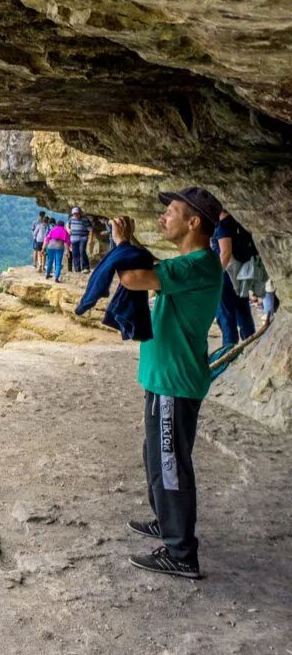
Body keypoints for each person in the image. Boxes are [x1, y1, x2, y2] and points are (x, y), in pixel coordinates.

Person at [115, 187, 224, 579]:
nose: (164, 218)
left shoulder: (195, 265)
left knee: (170, 463)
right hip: (166, 379)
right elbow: (156, 270)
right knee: (157, 457)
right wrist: (133, 244)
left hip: (174, 382)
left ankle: (180, 553)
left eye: (172, 212)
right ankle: (167, 521)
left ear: (193, 222)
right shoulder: (192, 265)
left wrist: (123, 245)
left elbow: (133, 278)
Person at [211, 209, 256, 346]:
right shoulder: (238, 223)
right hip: (239, 275)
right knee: (243, 311)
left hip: (225, 276)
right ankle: (251, 343)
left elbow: (225, 253)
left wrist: (214, 276)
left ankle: (229, 350)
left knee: (225, 315)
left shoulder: (223, 225)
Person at [68, 207, 93, 273]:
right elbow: (67, 225)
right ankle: (77, 269)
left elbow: (90, 229)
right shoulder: (71, 219)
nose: (76, 215)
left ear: (80, 213)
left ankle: (85, 267)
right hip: (73, 239)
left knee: (82, 252)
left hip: (83, 238)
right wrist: (68, 230)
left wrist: (90, 239)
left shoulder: (84, 219)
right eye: (74, 214)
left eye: (77, 213)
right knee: (75, 253)